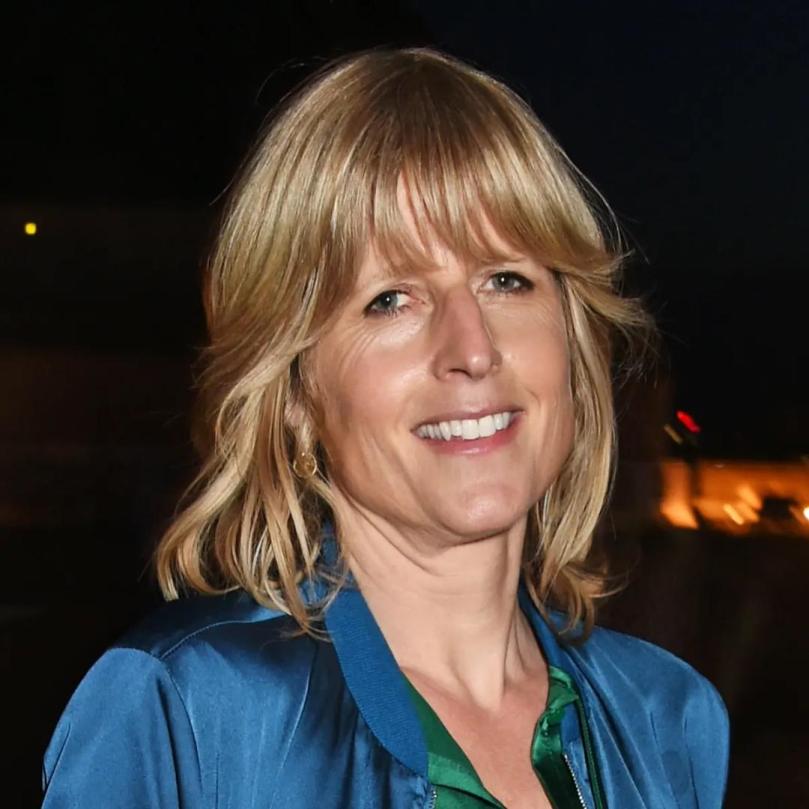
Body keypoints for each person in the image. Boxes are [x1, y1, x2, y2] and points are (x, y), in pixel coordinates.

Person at [42, 48, 729, 808]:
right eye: (390, 299)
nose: (472, 349)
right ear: (294, 386)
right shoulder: (190, 716)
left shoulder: (667, 720)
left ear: (572, 337)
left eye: (506, 279)